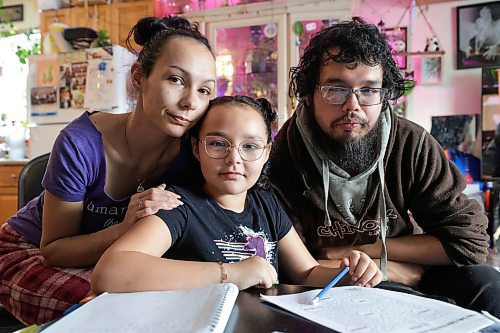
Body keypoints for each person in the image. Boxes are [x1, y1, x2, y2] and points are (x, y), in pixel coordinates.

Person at [269, 17, 500, 317]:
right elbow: (287, 260)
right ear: (309, 94)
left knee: (487, 284)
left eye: (368, 90)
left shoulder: (410, 143)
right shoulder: (286, 151)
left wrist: (374, 253)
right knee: (387, 296)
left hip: (400, 262)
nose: (353, 105)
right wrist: (397, 274)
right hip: (322, 280)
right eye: (336, 89)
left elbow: (469, 241)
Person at [0, 16, 216, 325]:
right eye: (176, 80)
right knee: (102, 306)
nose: (190, 102)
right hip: (27, 248)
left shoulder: (193, 153)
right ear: (139, 78)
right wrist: (125, 226)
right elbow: (54, 250)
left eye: (205, 90)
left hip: (110, 260)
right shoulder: (80, 144)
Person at [91, 96, 382, 294]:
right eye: (218, 144)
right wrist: (231, 273)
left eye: (250, 147)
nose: (234, 159)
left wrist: (350, 275)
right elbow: (110, 272)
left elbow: (306, 273)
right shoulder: (178, 206)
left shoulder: (266, 203)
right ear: (196, 148)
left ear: (267, 153)